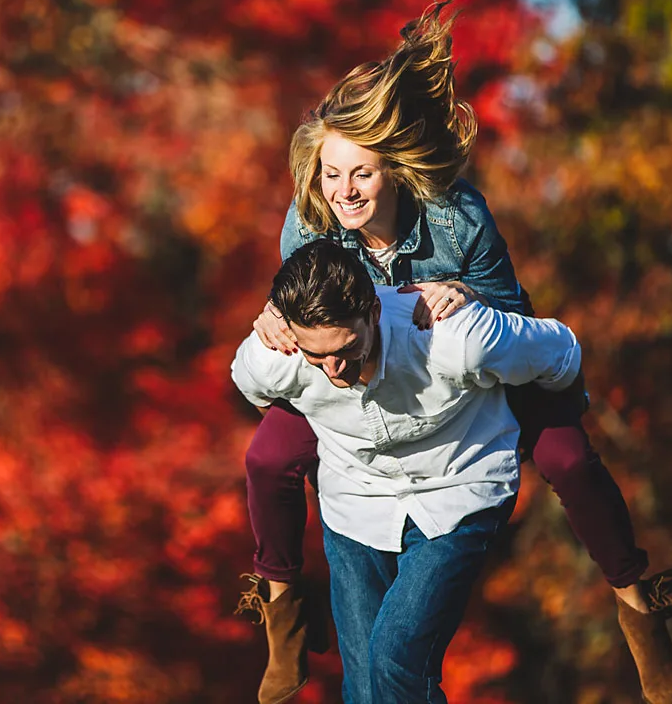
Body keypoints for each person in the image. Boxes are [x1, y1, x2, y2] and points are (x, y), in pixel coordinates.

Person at [235, 0, 672, 704]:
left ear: (393, 169)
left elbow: (511, 321)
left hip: (472, 354)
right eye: (331, 174)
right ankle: (281, 611)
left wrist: (464, 295)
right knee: (268, 458)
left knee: (568, 460)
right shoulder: (308, 221)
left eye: (361, 174)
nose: (343, 191)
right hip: (356, 365)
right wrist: (273, 318)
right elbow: (300, 305)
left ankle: (638, 603)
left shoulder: (457, 217)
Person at [233, 238, 586, 702]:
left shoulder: (455, 337)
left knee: (396, 659)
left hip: (457, 491)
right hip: (354, 505)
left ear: (373, 312)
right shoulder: (276, 357)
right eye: (317, 357)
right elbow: (254, 389)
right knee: (363, 688)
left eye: (347, 348)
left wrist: (542, 422)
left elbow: (562, 350)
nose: (334, 369)